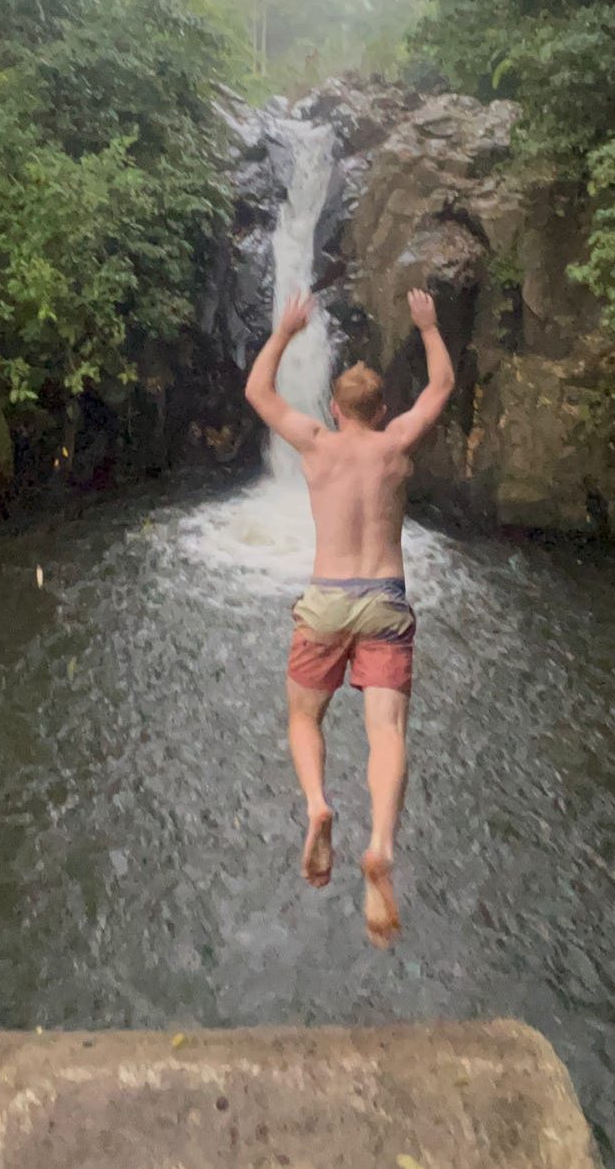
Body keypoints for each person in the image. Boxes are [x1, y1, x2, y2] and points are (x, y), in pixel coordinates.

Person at [244, 287, 455, 947]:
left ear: (334, 409)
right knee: (386, 730)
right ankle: (380, 843)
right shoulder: (395, 444)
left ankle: (316, 804)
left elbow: (258, 392)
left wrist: (284, 331)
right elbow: (442, 386)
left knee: (304, 715)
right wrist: (427, 326)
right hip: (384, 598)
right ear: (381, 408)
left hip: (326, 597)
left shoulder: (314, 443)